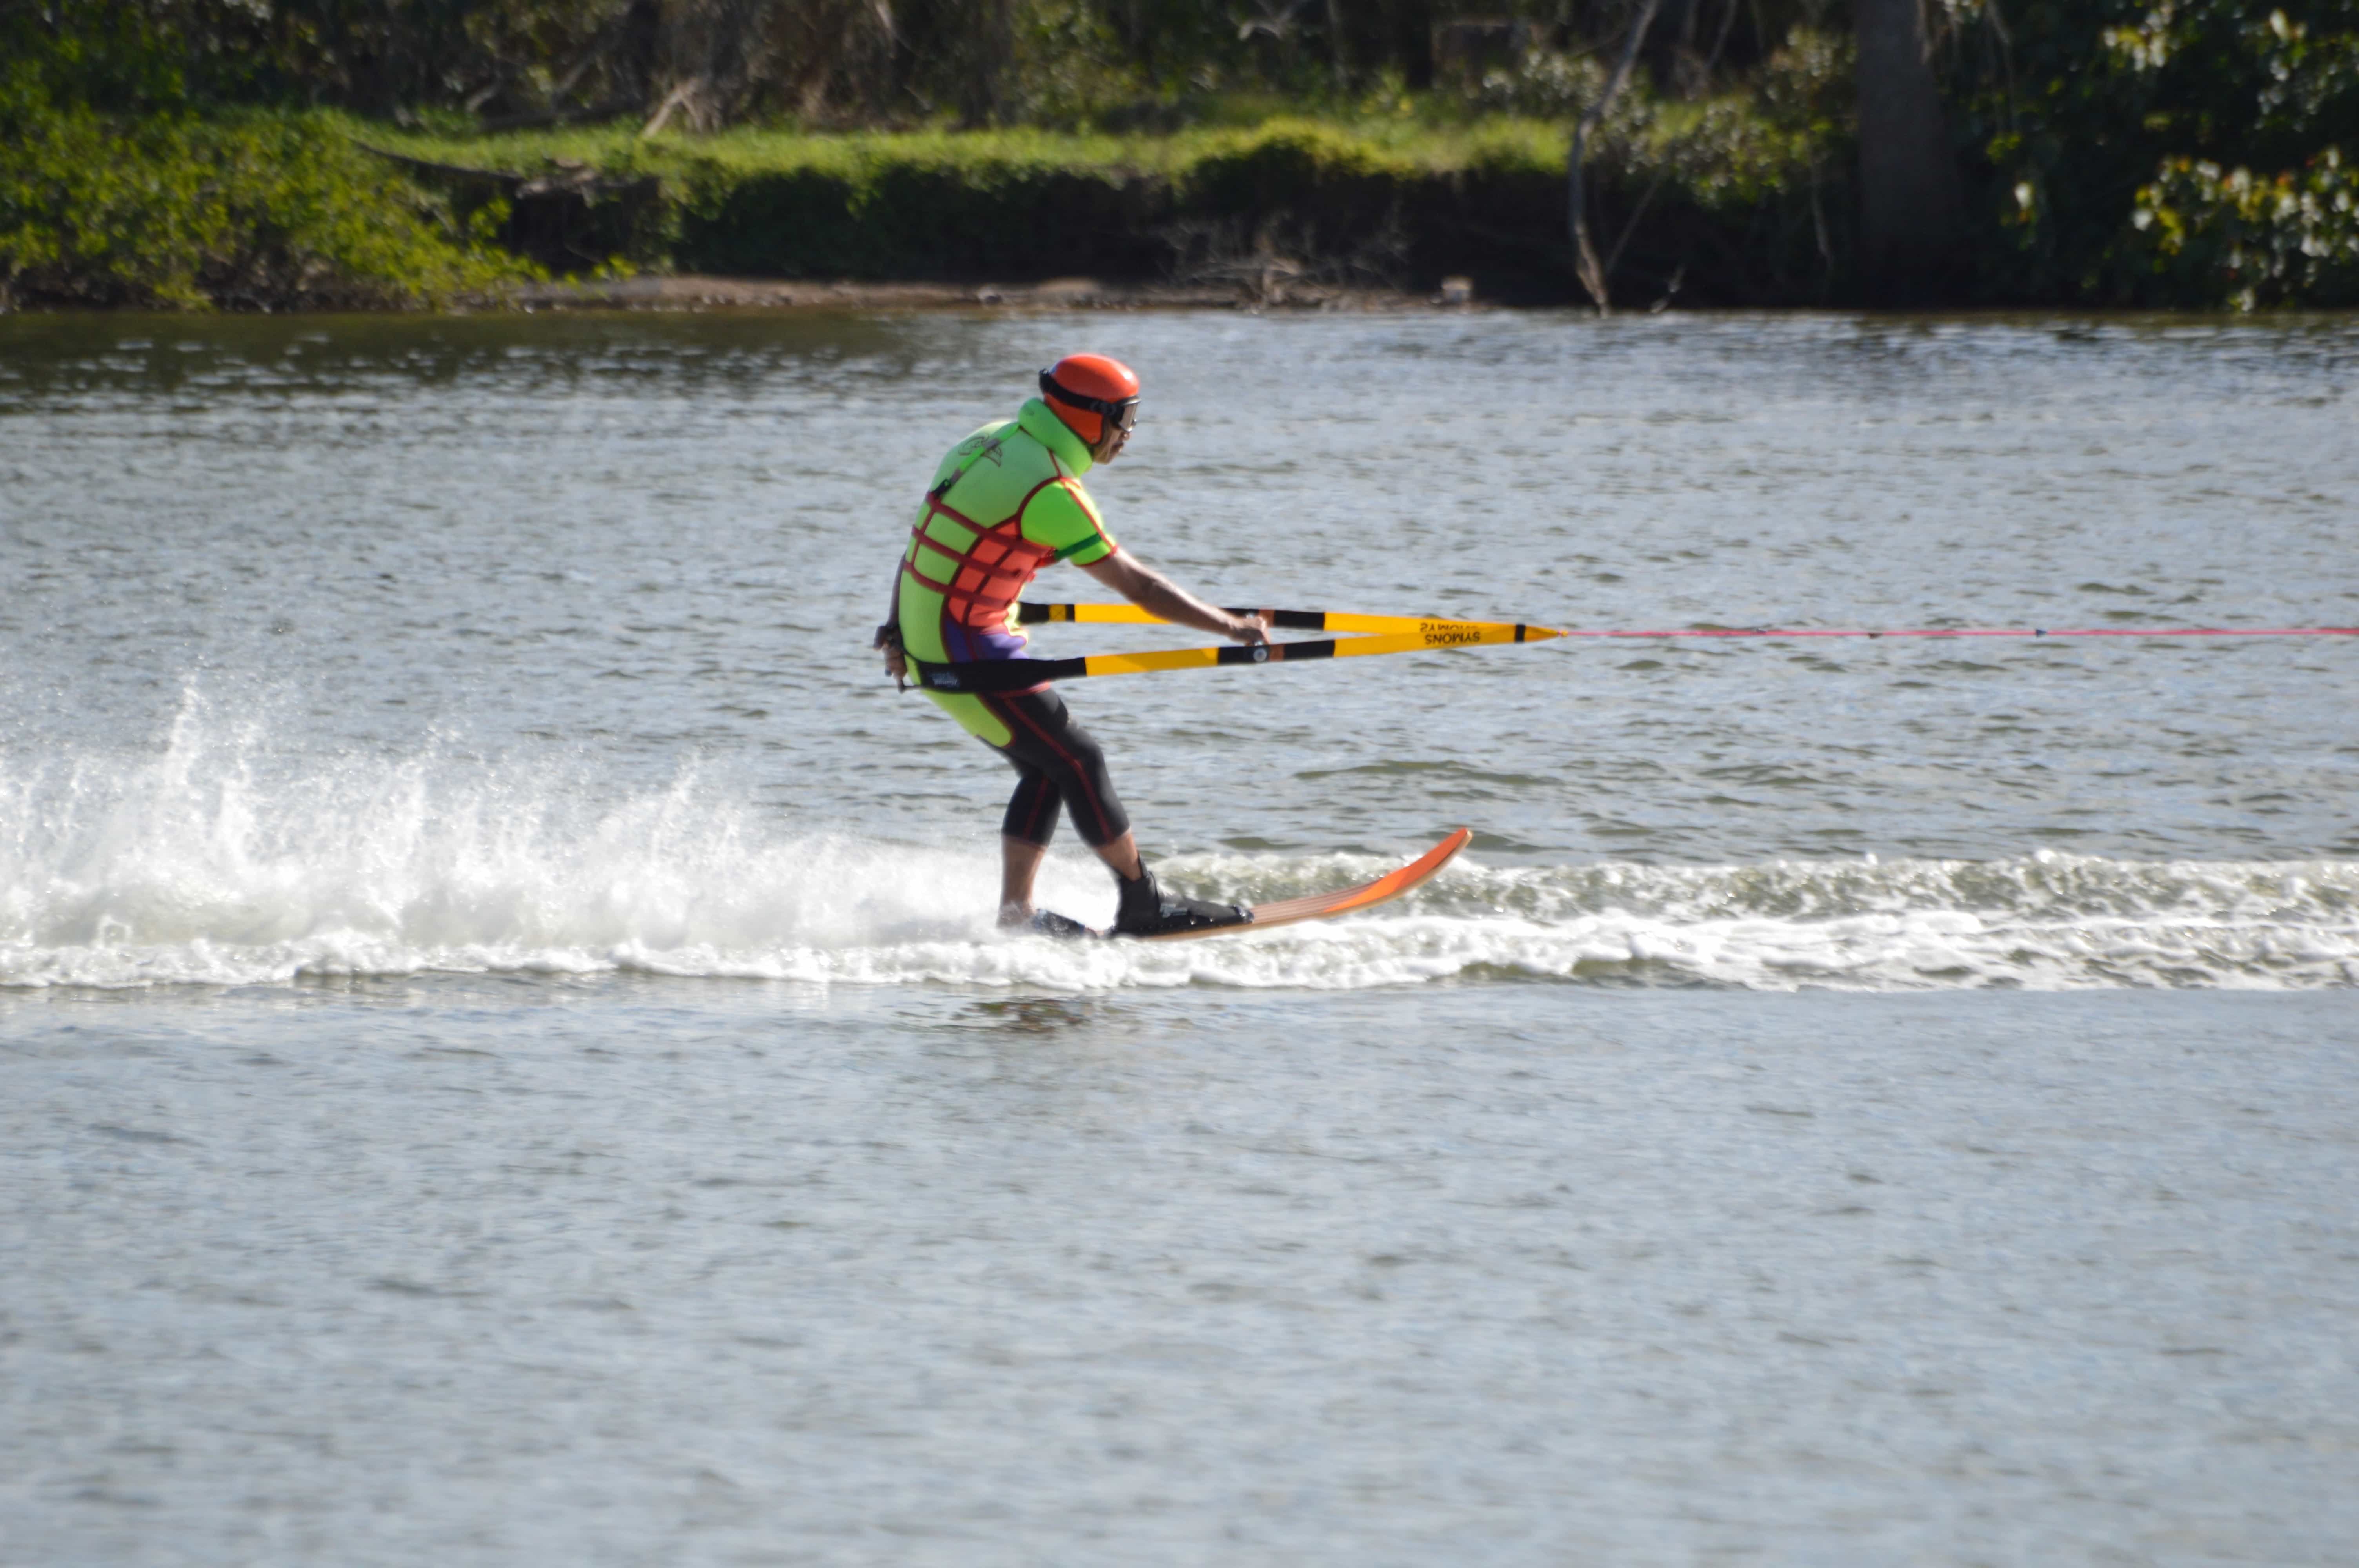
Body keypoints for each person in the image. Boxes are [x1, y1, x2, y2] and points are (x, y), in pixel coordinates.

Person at [874, 354, 1270, 936]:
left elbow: (923, 545)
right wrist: (1230, 627)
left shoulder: (985, 442)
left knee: (1048, 768)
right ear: (1089, 419)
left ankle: (1016, 916)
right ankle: (1144, 903)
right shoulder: (1054, 491)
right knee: (1080, 759)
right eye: (1124, 420)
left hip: (931, 638)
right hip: (966, 655)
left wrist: (894, 631)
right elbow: (1141, 587)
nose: (1129, 435)